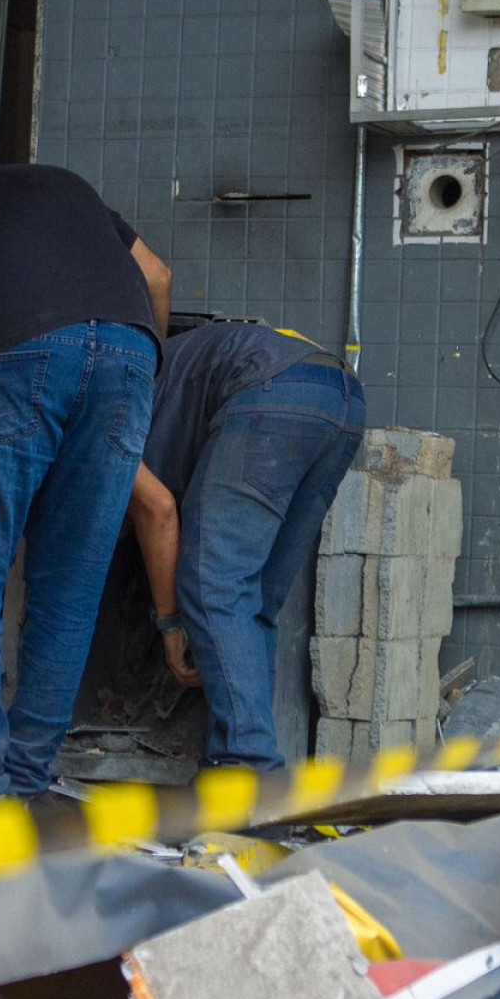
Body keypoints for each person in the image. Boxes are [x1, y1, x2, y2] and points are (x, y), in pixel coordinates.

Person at [0, 164, 171, 801]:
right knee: (70, 591)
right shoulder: (74, 190)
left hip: (13, 358)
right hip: (130, 357)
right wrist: (131, 369)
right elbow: (157, 277)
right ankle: (27, 778)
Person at [127, 322, 365, 771]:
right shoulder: (144, 368)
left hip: (270, 392)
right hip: (341, 399)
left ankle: (249, 767)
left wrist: (171, 625)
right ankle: (237, 763)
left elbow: (156, 509)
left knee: (215, 584)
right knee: (255, 601)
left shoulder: (98, 410)